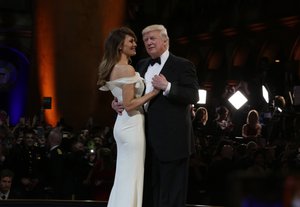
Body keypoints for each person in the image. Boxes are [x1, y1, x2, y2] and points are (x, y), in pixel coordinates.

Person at [112, 24, 199, 207]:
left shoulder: (183, 65)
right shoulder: (141, 64)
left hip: (174, 144)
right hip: (146, 142)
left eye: (153, 38)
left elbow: (193, 96)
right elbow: (132, 95)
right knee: (150, 196)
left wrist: (167, 87)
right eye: (145, 40)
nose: (148, 42)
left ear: (165, 41)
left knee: (172, 198)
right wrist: (116, 102)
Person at [97, 27, 160, 207]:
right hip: (132, 125)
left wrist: (114, 103)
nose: (135, 44)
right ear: (119, 45)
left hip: (122, 124)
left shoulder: (113, 67)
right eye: (130, 41)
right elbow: (130, 103)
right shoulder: (126, 69)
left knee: (124, 177)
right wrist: (154, 92)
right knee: (132, 177)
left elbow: (120, 99)